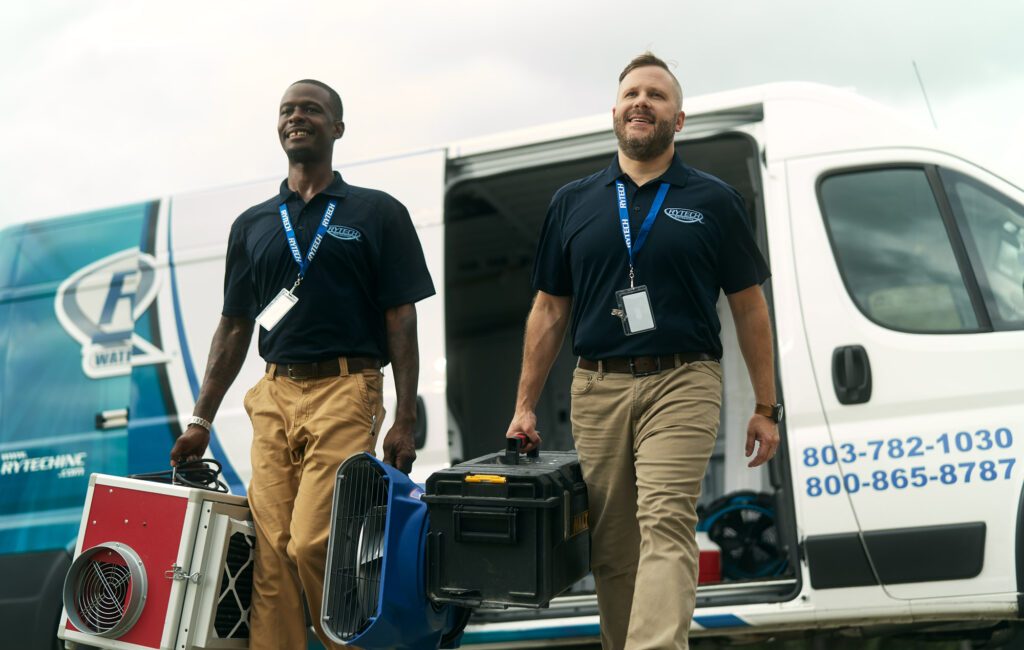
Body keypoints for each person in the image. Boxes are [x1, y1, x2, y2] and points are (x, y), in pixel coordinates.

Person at [505, 53, 782, 650]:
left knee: (665, 521)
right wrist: (525, 406)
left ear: (677, 120)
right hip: (596, 385)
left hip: (682, 381)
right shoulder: (573, 202)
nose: (642, 102)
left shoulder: (712, 199)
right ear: (614, 113)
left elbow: (749, 306)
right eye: (632, 93)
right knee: (612, 544)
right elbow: (549, 310)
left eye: (656, 96)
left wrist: (767, 404)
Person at [169, 79, 435, 649]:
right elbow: (235, 326)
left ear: (336, 128)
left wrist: (404, 416)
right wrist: (201, 420)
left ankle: (356, 640)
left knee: (313, 541)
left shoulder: (377, 212)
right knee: (272, 555)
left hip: (347, 387)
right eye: (287, 110)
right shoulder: (254, 224)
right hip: (273, 393)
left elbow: (401, 319)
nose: (297, 117)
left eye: (311, 109)